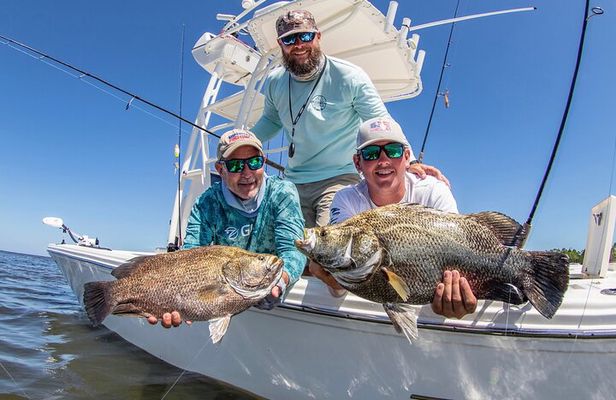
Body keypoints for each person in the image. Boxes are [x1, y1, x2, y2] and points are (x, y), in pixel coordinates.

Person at [251, 9, 448, 228]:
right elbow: (271, 120)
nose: (298, 44)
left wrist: (410, 162)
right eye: (289, 39)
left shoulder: (349, 76)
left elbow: (380, 120)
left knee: (329, 248)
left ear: (318, 36)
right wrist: (243, 142)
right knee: (291, 247)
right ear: (281, 44)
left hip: (339, 179)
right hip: (293, 180)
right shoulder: (275, 81)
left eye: (304, 36)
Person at [309, 116, 477, 319]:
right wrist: (334, 279)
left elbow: (462, 248)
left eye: (394, 151)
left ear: (407, 157)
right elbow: (346, 274)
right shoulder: (346, 200)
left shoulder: (434, 191)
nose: (383, 160)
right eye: (371, 154)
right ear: (357, 163)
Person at [148, 128, 307, 328]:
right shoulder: (206, 204)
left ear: (263, 162)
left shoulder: (282, 193)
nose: (247, 172)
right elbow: (188, 258)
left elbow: (294, 250)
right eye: (235, 165)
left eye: (254, 162)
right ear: (220, 169)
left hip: (263, 293)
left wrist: (281, 282)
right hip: (226, 296)